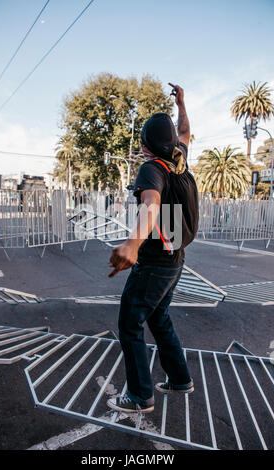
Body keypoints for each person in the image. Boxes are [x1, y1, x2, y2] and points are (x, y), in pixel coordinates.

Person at [107, 83, 199, 414]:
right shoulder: (180, 159)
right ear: (172, 141)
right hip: (174, 257)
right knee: (158, 317)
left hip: (156, 261)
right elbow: (186, 130)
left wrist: (133, 243)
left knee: (130, 323)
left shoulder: (151, 168)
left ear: (146, 147)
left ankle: (140, 396)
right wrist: (182, 104)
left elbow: (152, 202)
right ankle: (179, 378)